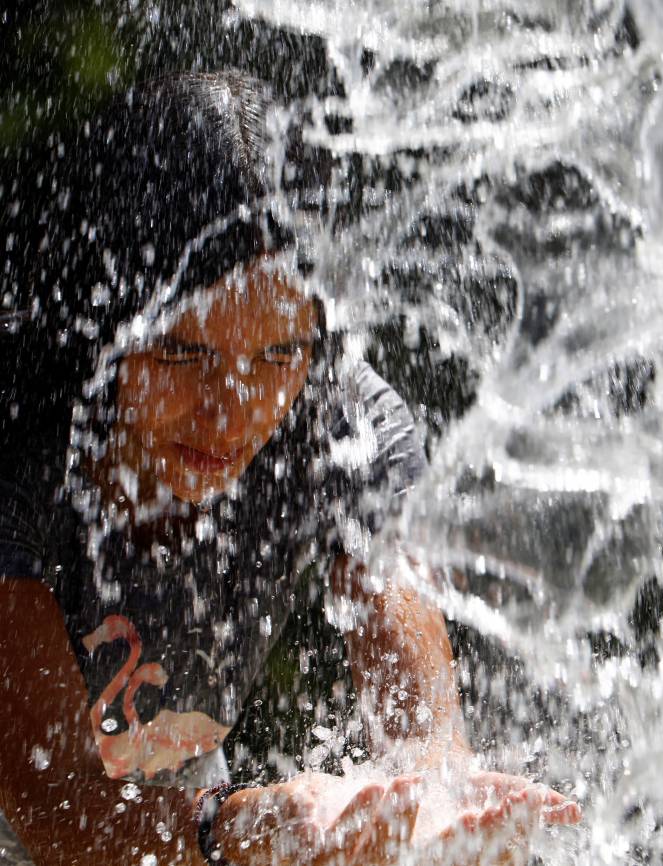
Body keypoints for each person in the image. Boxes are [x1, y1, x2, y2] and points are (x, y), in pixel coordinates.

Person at [0, 72, 579, 865]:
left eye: (278, 354)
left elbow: (422, 738)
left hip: (188, 822)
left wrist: (432, 812)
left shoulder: (345, 430)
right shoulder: (22, 450)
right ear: (101, 329)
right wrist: (243, 828)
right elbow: (55, 810)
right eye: (181, 352)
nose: (230, 413)